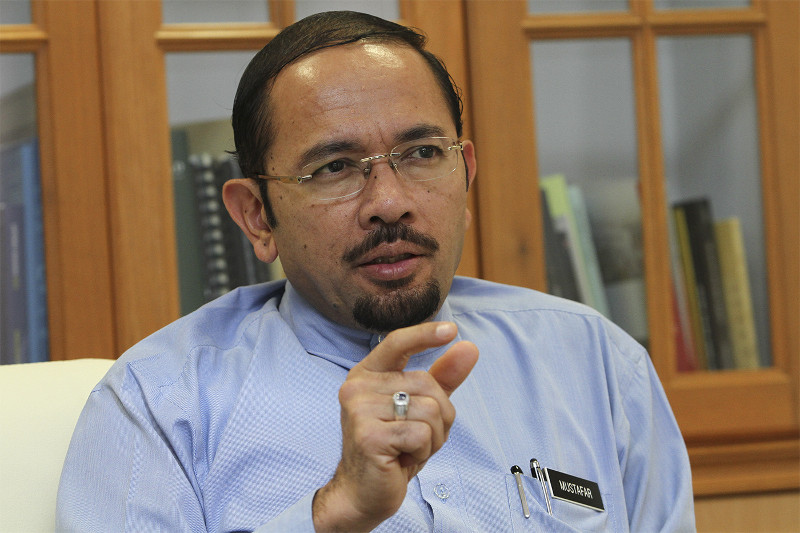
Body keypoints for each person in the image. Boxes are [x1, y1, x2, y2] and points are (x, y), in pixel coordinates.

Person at [56, 10, 695, 532]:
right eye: (334, 167)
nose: (390, 202)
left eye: (421, 153)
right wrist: (332, 515)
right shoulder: (160, 405)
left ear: (467, 173)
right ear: (256, 217)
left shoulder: (593, 362)